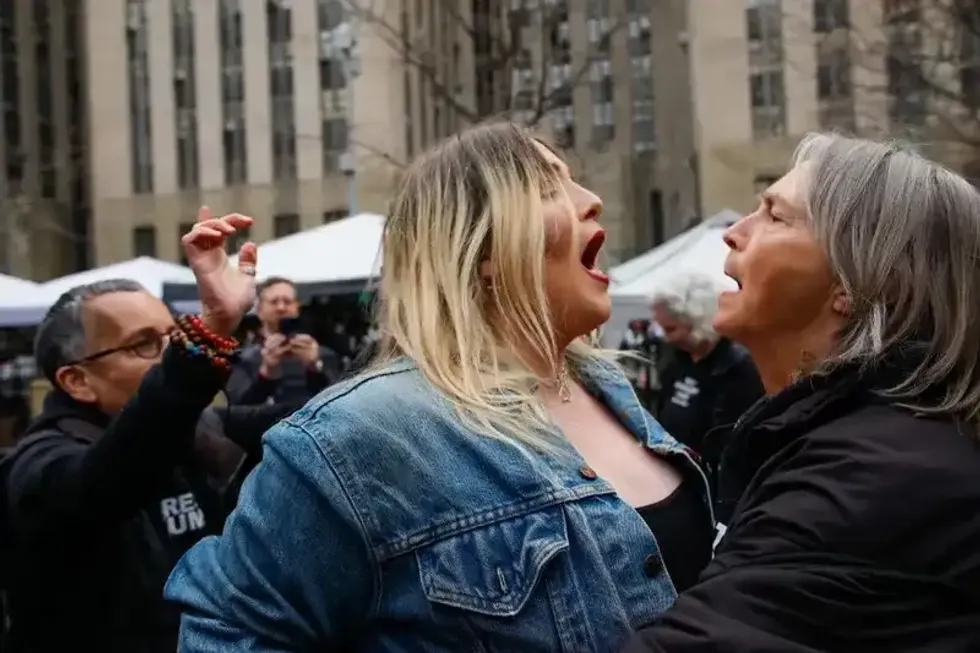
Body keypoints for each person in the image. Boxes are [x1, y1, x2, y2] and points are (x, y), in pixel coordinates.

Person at [165, 122, 715, 651]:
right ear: (482, 250)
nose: (591, 200)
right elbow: (229, 631)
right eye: (549, 188)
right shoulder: (362, 434)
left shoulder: (607, 386)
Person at [623, 133, 980, 652]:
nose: (734, 233)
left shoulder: (873, 475)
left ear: (855, 284)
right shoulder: (870, 438)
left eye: (774, 215)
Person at [0, 209, 264, 652]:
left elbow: (308, 418)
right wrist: (207, 335)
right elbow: (116, 472)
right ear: (77, 381)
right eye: (145, 344)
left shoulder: (202, 431)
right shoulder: (39, 469)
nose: (169, 353)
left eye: (173, 336)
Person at [650, 272, 764, 523]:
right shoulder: (676, 360)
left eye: (672, 329)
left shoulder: (738, 367)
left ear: (698, 322)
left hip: (714, 494)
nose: (666, 337)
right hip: (676, 483)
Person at [225, 276, 339, 405]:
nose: (281, 307)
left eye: (287, 301)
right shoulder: (242, 360)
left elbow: (338, 402)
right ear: (260, 310)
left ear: (297, 307)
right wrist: (266, 375)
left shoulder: (324, 355)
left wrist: (315, 368)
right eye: (274, 302)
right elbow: (237, 408)